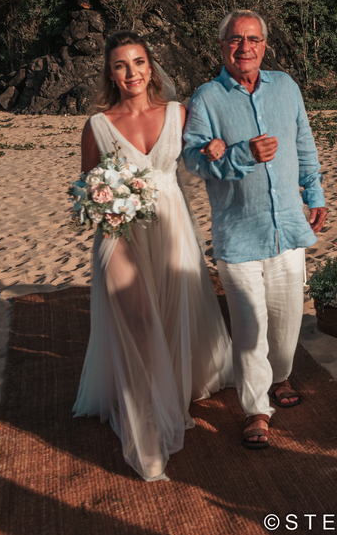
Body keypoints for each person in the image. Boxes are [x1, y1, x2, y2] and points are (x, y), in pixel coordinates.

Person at [73, 31, 232, 481]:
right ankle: (145, 431)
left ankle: (170, 392)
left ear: (151, 66)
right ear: (110, 73)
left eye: (138, 62)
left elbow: (201, 158)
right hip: (119, 236)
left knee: (171, 310)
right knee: (139, 325)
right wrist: (107, 206)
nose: (131, 73)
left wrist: (214, 149)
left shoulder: (178, 114)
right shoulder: (97, 125)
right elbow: (89, 188)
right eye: (120, 65)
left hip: (173, 227)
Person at [182, 10, 327, 450]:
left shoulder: (286, 87)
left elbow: (303, 141)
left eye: (253, 39)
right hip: (238, 235)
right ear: (221, 45)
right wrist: (241, 153)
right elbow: (192, 161)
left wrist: (314, 191)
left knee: (286, 325)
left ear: (264, 44)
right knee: (250, 327)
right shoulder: (206, 98)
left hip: (287, 228)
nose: (244, 47)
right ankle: (256, 409)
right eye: (234, 39)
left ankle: (280, 376)